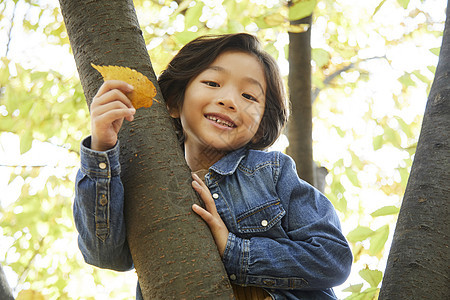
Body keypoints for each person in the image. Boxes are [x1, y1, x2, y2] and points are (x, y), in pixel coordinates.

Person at [73, 33, 352, 300]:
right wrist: (102, 149)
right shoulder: (145, 183)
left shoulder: (272, 171)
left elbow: (333, 257)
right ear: (173, 102)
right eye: (213, 84)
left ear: (260, 128)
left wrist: (232, 249)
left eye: (249, 97)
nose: (229, 101)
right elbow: (104, 255)